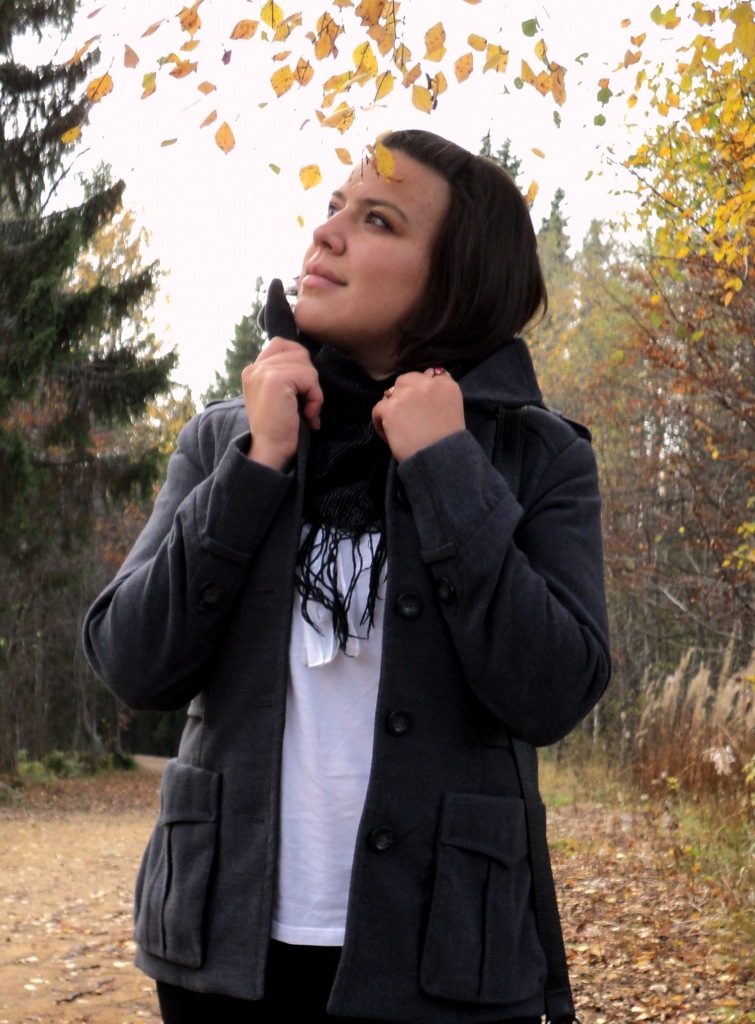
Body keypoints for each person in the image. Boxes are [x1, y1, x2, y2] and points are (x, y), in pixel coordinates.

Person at [84, 129, 610, 1024]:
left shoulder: (535, 456)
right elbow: (133, 664)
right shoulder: (227, 438)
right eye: (333, 207)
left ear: (454, 280)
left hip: (446, 960)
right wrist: (256, 465)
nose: (324, 233)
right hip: (224, 953)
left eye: (376, 220)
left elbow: (553, 692)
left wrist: (446, 467)